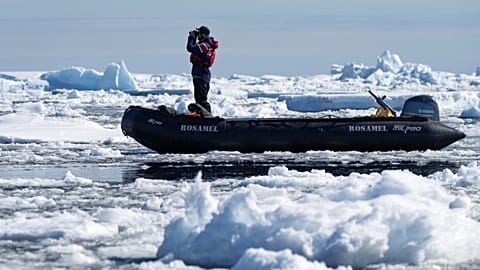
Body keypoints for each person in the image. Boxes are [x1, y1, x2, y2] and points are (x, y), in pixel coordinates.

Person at [186, 25, 219, 113]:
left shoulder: (205, 45)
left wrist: (191, 38)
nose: (198, 35)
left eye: (199, 33)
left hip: (202, 75)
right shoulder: (204, 45)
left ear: (203, 35)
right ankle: (200, 116)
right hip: (199, 74)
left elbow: (190, 48)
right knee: (198, 99)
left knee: (202, 100)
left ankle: (207, 119)